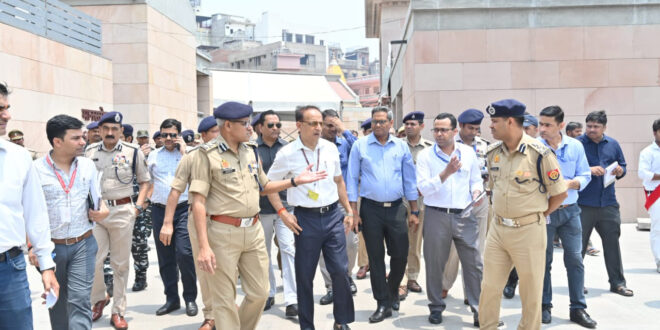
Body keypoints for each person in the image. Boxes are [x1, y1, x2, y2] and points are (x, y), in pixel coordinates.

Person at [189, 101, 327, 330]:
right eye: (244, 124)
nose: (250, 128)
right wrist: (204, 246)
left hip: (252, 230)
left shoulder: (250, 152)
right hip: (222, 232)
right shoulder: (207, 155)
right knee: (224, 299)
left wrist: (295, 181)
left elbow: (265, 185)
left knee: (260, 292)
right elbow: (198, 202)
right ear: (228, 126)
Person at [478, 99, 568, 330]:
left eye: (495, 121)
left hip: (529, 231)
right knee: (489, 287)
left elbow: (559, 193)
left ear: (510, 122)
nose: (490, 126)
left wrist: (537, 216)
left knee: (530, 291)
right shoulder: (492, 152)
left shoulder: (539, 154)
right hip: (498, 230)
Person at [267, 105, 355, 330]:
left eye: (321, 124)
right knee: (305, 276)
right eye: (313, 124)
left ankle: (341, 321)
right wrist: (283, 212)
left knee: (340, 272)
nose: (319, 128)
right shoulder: (287, 153)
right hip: (305, 220)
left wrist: (349, 211)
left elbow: (339, 181)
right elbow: (268, 186)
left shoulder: (330, 148)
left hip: (333, 215)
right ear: (299, 126)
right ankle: (307, 326)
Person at [34, 114, 110, 329]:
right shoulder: (36, 171)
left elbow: (98, 201)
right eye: (76, 138)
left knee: (79, 300)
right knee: (56, 300)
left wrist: (102, 211)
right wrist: (32, 245)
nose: (83, 142)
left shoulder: (87, 166)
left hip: (83, 244)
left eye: (83, 137)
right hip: (51, 248)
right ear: (57, 142)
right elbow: (27, 212)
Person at [346, 106, 419, 323]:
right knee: (376, 258)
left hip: (397, 208)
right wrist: (354, 212)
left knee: (400, 255)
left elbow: (409, 180)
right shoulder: (360, 146)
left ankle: (393, 290)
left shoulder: (401, 147)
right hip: (371, 210)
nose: (378, 125)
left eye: (382, 121)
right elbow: (351, 179)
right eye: (375, 121)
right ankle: (382, 303)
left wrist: (414, 210)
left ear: (390, 123)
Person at [416, 112, 485, 326]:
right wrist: (445, 173)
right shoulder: (426, 156)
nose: (439, 134)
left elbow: (475, 180)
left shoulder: (468, 153)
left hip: (465, 215)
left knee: (473, 264)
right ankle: (436, 306)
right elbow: (423, 189)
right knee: (435, 264)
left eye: (444, 130)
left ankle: (478, 309)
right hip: (436, 215)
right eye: (436, 129)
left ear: (455, 131)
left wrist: (476, 192)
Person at [0, 82, 59, 330]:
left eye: (7, 108)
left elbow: (36, 214)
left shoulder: (19, 158)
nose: (7, 115)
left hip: (9, 270)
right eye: (0, 109)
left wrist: (47, 266)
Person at [85, 111, 151, 329]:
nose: (110, 133)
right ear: (99, 131)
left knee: (120, 264)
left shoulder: (133, 152)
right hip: (96, 214)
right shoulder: (90, 151)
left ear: (121, 131)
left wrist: (138, 207)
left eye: (115, 129)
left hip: (123, 211)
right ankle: (99, 299)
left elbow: (145, 181)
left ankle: (118, 311)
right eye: (106, 129)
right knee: (94, 260)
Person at [537, 106, 597, 328]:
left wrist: (569, 183)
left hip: (571, 210)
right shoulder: (534, 147)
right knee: (543, 262)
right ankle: (544, 306)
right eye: (540, 124)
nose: (542, 129)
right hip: (545, 212)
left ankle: (578, 308)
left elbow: (585, 174)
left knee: (575, 260)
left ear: (561, 125)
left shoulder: (575, 146)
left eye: (547, 125)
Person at [162, 115, 220, 330]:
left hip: (230, 221)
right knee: (205, 270)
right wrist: (167, 222)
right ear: (203, 136)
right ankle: (211, 315)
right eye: (215, 131)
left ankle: (227, 309)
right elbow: (175, 190)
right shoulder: (193, 156)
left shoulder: (238, 153)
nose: (220, 135)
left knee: (229, 270)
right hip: (200, 219)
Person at [577, 110, 633, 297]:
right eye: (589, 126)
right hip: (583, 204)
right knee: (578, 248)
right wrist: (588, 170)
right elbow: (569, 169)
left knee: (612, 245)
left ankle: (618, 283)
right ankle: (577, 284)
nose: (591, 130)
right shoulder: (577, 145)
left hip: (608, 203)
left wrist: (619, 170)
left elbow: (623, 165)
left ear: (604, 127)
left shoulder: (613, 144)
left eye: (596, 127)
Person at [148, 119, 198, 316]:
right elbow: (147, 180)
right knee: (165, 256)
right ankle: (171, 299)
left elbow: (196, 177)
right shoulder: (153, 156)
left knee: (185, 253)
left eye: (172, 134)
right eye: (164, 134)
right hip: (159, 210)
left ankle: (190, 298)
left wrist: (185, 152)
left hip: (184, 209)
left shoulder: (190, 154)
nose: (168, 138)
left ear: (179, 134)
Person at [253, 110, 298, 317]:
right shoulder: (251, 150)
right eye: (270, 125)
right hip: (260, 210)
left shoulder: (288, 149)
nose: (275, 129)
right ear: (260, 127)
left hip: (285, 209)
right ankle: (269, 292)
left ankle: (292, 299)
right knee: (264, 254)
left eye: (278, 125)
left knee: (288, 250)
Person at [442, 108, 490, 301]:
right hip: (456, 203)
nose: (474, 132)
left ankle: (473, 291)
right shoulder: (450, 145)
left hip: (479, 201)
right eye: (470, 128)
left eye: (477, 128)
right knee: (453, 248)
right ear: (460, 126)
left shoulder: (485, 146)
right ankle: (444, 285)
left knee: (477, 249)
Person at [318, 109, 360, 305]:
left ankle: (347, 276)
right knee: (324, 251)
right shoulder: (315, 146)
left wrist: (345, 131)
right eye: (329, 125)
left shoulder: (346, 143)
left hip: (343, 203)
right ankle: (331, 287)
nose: (332, 128)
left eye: (335, 124)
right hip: (321, 203)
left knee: (350, 244)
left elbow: (361, 149)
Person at [399, 111, 433, 299]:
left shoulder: (429, 149)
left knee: (415, 241)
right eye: (407, 124)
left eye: (413, 124)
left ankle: (412, 277)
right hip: (398, 200)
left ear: (421, 126)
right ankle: (400, 280)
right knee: (398, 241)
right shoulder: (396, 146)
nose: (409, 127)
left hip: (419, 202)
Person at [639, 119, 660, 273]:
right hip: (656, 194)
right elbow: (643, 173)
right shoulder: (647, 152)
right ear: (655, 133)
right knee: (658, 228)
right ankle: (659, 259)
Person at [355, 117, 373, 281]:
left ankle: (375, 263)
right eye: (369, 132)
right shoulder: (359, 147)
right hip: (362, 195)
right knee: (362, 232)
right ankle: (363, 263)